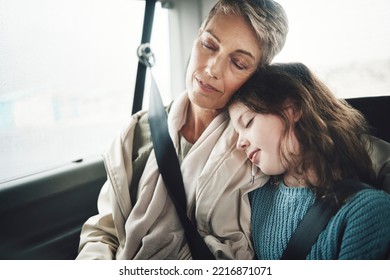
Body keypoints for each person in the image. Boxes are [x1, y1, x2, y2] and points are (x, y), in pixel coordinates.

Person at [76, 0, 289, 260]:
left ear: (257, 76)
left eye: (239, 63)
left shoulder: (257, 153)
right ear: (196, 37)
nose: (211, 69)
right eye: (209, 45)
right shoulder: (138, 132)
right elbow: (103, 232)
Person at [228, 62, 390, 259]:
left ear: (292, 108)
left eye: (247, 122)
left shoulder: (366, 210)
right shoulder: (252, 197)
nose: (240, 143)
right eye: (236, 133)